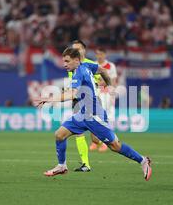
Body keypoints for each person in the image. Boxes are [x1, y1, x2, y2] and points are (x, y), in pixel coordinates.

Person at [34, 47, 152, 181]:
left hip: (94, 116)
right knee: (59, 135)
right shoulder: (86, 65)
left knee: (115, 146)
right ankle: (62, 166)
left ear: (77, 60)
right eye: (64, 61)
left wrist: (49, 99)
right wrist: (109, 85)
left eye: (67, 61)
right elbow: (102, 70)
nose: (64, 64)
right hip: (83, 114)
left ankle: (143, 160)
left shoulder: (79, 72)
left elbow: (72, 93)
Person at [69, 40, 100, 172]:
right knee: (78, 133)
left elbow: (101, 77)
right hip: (77, 101)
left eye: (78, 49)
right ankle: (85, 164)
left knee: (96, 137)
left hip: (89, 100)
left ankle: (105, 141)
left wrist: (99, 83)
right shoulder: (71, 63)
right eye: (73, 49)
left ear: (84, 50)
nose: (75, 51)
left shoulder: (90, 64)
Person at [89, 47, 118, 152]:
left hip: (106, 94)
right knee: (93, 116)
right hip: (96, 93)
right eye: (97, 54)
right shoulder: (93, 65)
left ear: (105, 54)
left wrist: (112, 94)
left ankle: (106, 142)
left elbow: (112, 81)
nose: (99, 56)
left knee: (106, 118)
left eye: (101, 54)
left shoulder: (111, 66)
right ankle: (95, 141)